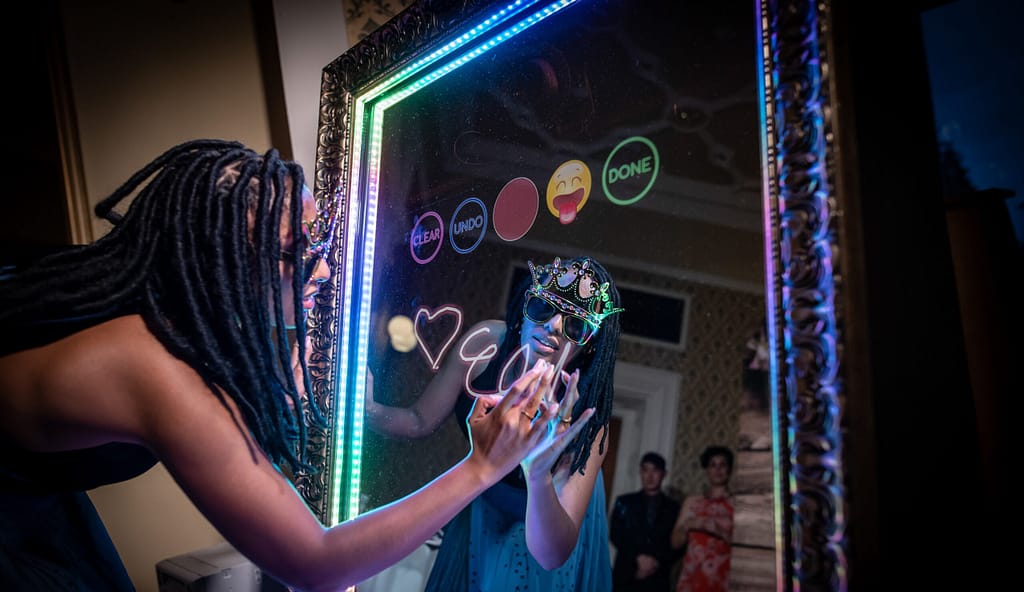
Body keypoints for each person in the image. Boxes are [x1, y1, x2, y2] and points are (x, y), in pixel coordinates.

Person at [0, 139, 593, 592]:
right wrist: (480, 467)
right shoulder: (155, 369)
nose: (325, 272)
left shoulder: (171, 326)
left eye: (323, 248)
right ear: (226, 258)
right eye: (300, 252)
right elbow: (314, 564)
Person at [365, 255, 624, 591]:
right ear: (525, 306)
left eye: (575, 325)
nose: (553, 326)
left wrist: (539, 474)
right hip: (482, 508)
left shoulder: (586, 418)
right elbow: (418, 419)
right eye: (543, 308)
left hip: (544, 524)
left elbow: (551, 553)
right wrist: (368, 410)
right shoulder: (486, 345)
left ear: (588, 346)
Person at [609, 451, 683, 592]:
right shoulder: (624, 502)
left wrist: (654, 562)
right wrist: (638, 558)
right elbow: (615, 534)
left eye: (655, 470)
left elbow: (678, 544)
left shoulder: (674, 508)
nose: (649, 476)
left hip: (657, 580)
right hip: (626, 576)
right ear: (640, 472)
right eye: (645, 470)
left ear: (664, 474)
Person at [671, 446, 735, 592]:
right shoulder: (692, 502)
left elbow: (746, 549)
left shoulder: (737, 504)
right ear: (707, 470)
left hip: (723, 577)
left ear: (729, 469)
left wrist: (720, 531)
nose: (717, 469)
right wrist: (690, 524)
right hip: (693, 575)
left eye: (722, 465)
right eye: (713, 465)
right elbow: (674, 543)